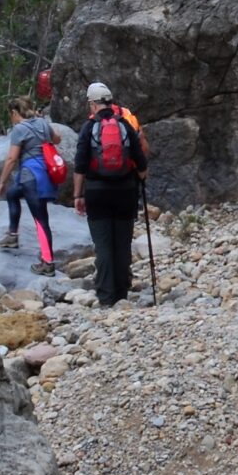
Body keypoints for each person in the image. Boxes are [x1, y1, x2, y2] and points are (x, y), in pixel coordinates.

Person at [73, 79, 148, 307]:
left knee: (103, 245)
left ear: (94, 104)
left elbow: (80, 165)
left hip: (97, 194)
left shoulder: (88, 128)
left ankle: (106, 297)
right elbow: (141, 161)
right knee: (123, 244)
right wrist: (140, 179)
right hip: (125, 192)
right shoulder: (125, 125)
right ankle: (122, 294)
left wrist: (78, 195)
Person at [0, 98, 60, 274]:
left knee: (40, 220)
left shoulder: (19, 129)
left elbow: (11, 159)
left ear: (15, 113)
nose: (11, 118)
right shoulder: (42, 122)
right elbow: (57, 139)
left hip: (30, 178)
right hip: (44, 175)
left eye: (11, 115)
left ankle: (48, 262)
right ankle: (13, 236)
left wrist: (2, 181)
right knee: (12, 195)